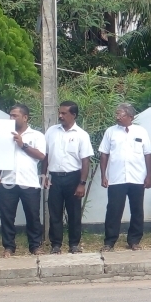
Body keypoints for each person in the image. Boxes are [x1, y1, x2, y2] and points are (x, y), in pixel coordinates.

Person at [0, 104, 46, 257]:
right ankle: (8, 247)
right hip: (7, 182)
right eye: (10, 115)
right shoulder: (3, 135)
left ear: (25, 117)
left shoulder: (37, 136)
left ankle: (35, 246)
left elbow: (41, 156)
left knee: (33, 216)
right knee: (7, 216)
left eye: (14, 115)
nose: (11, 118)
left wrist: (22, 145)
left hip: (29, 182)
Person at [99, 103, 151, 251]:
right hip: (116, 178)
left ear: (130, 117)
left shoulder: (141, 131)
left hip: (137, 177)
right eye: (116, 114)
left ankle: (134, 241)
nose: (117, 117)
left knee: (137, 210)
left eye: (120, 114)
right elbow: (104, 154)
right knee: (114, 210)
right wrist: (104, 175)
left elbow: (147, 154)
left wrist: (149, 176)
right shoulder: (110, 132)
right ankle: (109, 242)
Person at [43, 101, 93, 254]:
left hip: (73, 178)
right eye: (60, 112)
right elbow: (45, 155)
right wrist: (44, 175)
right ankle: (56, 244)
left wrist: (82, 183)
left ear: (74, 115)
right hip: (55, 179)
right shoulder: (51, 131)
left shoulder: (82, 135)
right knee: (55, 213)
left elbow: (86, 161)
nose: (60, 116)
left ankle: (74, 244)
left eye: (64, 113)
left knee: (74, 213)